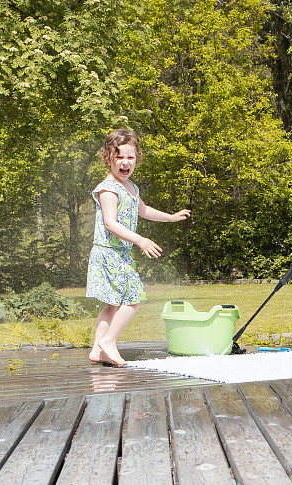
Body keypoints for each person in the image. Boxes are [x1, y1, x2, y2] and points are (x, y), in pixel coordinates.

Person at [86, 128, 191, 366]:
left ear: (137, 159)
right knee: (136, 297)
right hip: (108, 253)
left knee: (112, 303)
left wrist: (171, 217)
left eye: (130, 157)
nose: (125, 162)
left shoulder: (131, 188)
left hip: (118, 254)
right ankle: (109, 341)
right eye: (119, 157)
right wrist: (141, 240)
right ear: (108, 159)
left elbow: (142, 211)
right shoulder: (108, 189)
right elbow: (110, 223)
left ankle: (97, 349)